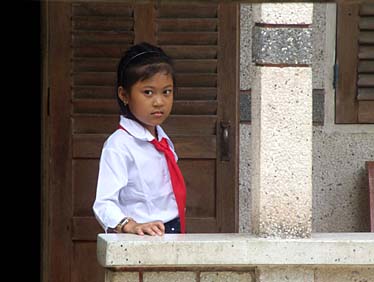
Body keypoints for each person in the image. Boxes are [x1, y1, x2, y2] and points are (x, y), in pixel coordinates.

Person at [93, 42, 186, 236]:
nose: (159, 101)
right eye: (148, 92)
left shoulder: (163, 141)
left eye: (166, 92)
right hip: (141, 236)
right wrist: (131, 226)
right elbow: (104, 203)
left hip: (172, 230)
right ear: (124, 95)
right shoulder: (119, 145)